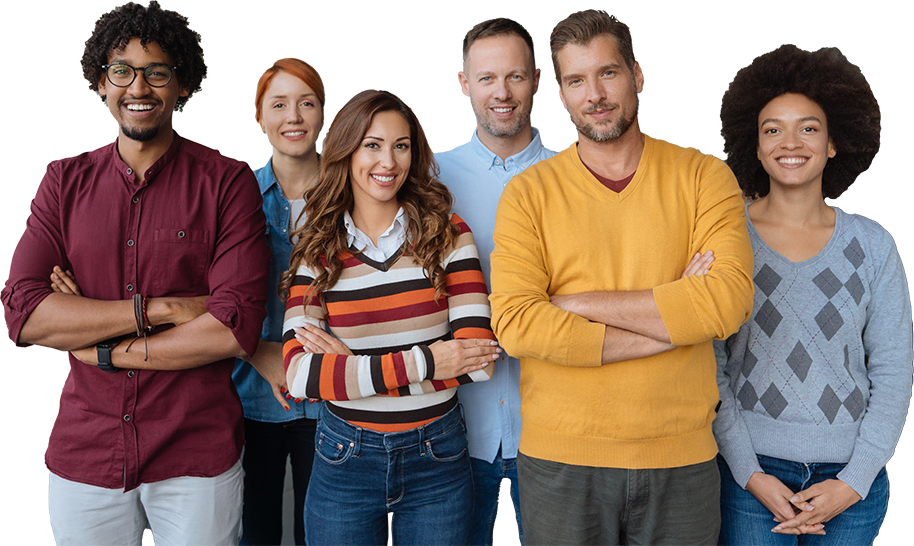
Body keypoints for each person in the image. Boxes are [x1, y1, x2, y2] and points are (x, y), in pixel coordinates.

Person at [0, 2, 269, 545]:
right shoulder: (63, 181)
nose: (138, 87)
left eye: (157, 72)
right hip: (87, 451)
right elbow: (23, 312)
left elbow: (230, 325)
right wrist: (165, 308)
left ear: (184, 86)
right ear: (102, 82)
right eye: (121, 71)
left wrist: (98, 344)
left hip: (197, 451)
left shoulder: (227, 183)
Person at [488, 9, 755, 546]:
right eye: (576, 80)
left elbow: (725, 305)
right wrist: (676, 317)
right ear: (561, 92)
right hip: (560, 460)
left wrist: (574, 302)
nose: (595, 94)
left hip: (682, 458)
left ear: (636, 72)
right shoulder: (529, 194)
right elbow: (517, 325)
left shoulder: (705, 176)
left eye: (607, 73)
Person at [281, 89, 501, 546]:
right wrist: (430, 362)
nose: (388, 161)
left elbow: (479, 362)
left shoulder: (449, 234)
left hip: (437, 458)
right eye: (372, 145)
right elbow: (301, 377)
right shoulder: (316, 247)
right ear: (345, 150)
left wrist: (350, 363)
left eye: (401, 146)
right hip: (345, 458)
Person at [714, 44, 913, 545]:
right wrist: (749, 472)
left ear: (832, 143)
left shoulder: (873, 246)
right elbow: (706, 363)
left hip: (852, 479)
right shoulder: (725, 239)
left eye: (809, 127)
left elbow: (893, 371)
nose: (790, 141)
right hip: (749, 476)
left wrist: (855, 480)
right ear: (754, 147)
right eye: (772, 129)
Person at [434, 17, 554, 546]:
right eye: (486, 78)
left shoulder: (573, 171)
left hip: (553, 429)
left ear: (536, 81)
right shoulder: (427, 178)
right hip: (452, 428)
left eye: (515, 77)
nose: (501, 93)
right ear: (464, 84)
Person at [231, 58, 325, 546]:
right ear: (260, 116)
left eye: (306, 103)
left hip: (331, 399)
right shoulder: (233, 194)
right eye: (280, 104)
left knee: (324, 533)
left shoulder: (352, 191)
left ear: (322, 114)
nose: (294, 116)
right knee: (254, 533)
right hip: (248, 394)